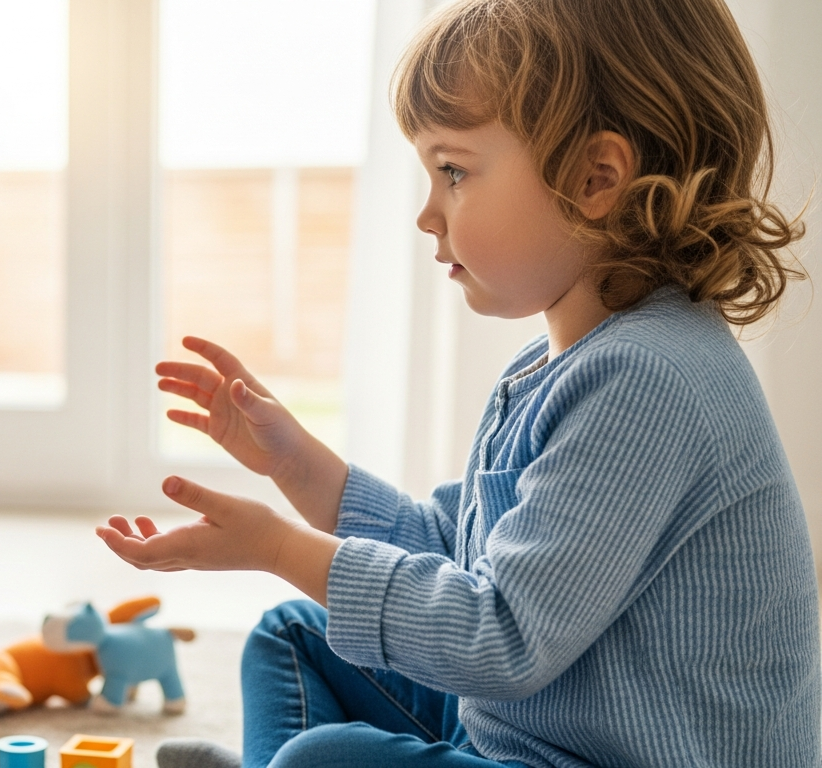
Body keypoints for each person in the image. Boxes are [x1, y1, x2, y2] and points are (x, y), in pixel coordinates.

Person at [97, 0, 820, 765]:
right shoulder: (565, 364)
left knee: (325, 756)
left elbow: (499, 637)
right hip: (532, 726)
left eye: (453, 172)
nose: (426, 214)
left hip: (601, 752)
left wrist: (279, 548)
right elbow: (458, 555)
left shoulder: (647, 382)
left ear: (595, 178)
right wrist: (296, 464)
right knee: (295, 635)